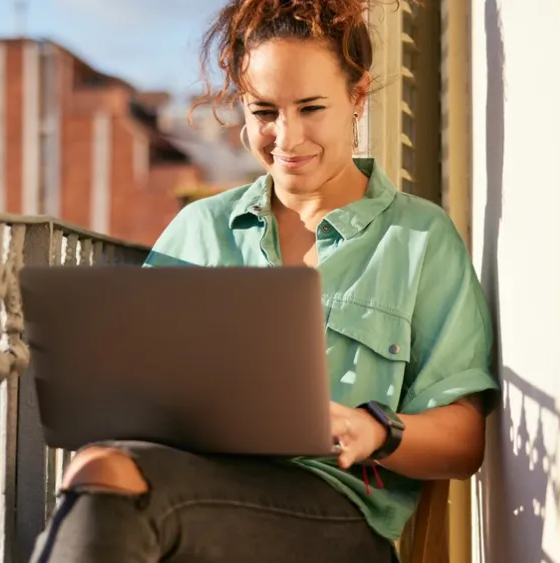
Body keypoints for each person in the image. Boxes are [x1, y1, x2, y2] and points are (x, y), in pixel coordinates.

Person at [30, 0, 498, 561]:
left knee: (110, 485)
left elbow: (464, 442)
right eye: (265, 111)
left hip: (335, 515)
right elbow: (142, 389)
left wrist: (376, 431)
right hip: (197, 485)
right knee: (102, 468)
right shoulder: (199, 229)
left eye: (311, 107)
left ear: (356, 96)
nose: (287, 137)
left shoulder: (419, 238)